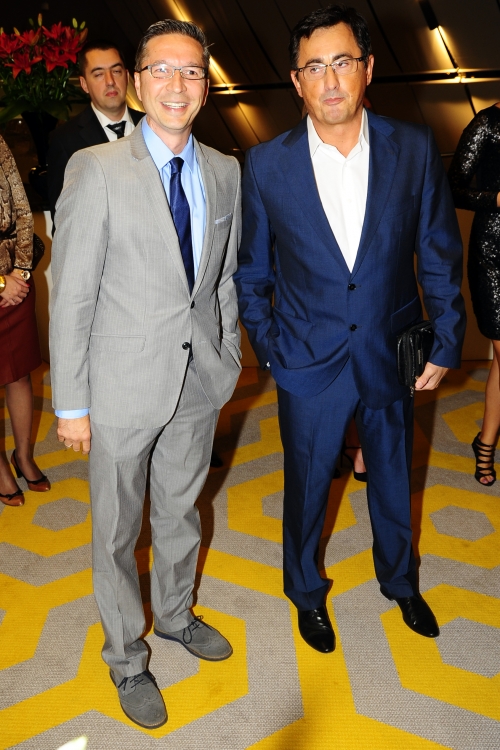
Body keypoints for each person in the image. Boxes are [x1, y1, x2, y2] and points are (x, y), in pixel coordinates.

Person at [235, 4, 465, 654]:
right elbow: (252, 275)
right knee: (307, 486)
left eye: (342, 62)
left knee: (393, 475)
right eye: (314, 67)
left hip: (391, 349)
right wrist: (272, 351)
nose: (330, 80)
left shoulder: (413, 147)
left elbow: (438, 251)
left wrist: (446, 337)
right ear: (295, 81)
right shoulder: (265, 165)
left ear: (367, 69)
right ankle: (306, 592)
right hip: (306, 358)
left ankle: (400, 581)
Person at [49, 19, 241, 728]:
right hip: (121, 385)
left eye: (191, 70)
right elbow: (71, 294)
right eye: (161, 69)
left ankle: (176, 615)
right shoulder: (96, 169)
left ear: (206, 86)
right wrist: (71, 404)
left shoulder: (225, 170)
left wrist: (228, 355)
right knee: (115, 529)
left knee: (181, 512)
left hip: (199, 380)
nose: (176, 84)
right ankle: (127, 657)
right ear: (135, 82)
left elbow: (223, 278)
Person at [448, 104, 500, 486]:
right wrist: (495, 199)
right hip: (494, 255)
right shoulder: (487, 123)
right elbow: (453, 187)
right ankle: (485, 444)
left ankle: (485, 442)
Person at [0, 136, 51, 506]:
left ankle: (23, 455)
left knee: (19, 374)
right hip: (6, 284)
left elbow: (21, 206)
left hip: (18, 281)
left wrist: (20, 269)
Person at [47, 40, 144, 223]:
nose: (110, 81)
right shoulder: (65, 140)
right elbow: (63, 220)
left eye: (116, 71)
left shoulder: (154, 127)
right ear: (84, 84)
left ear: (127, 76)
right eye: (99, 74)